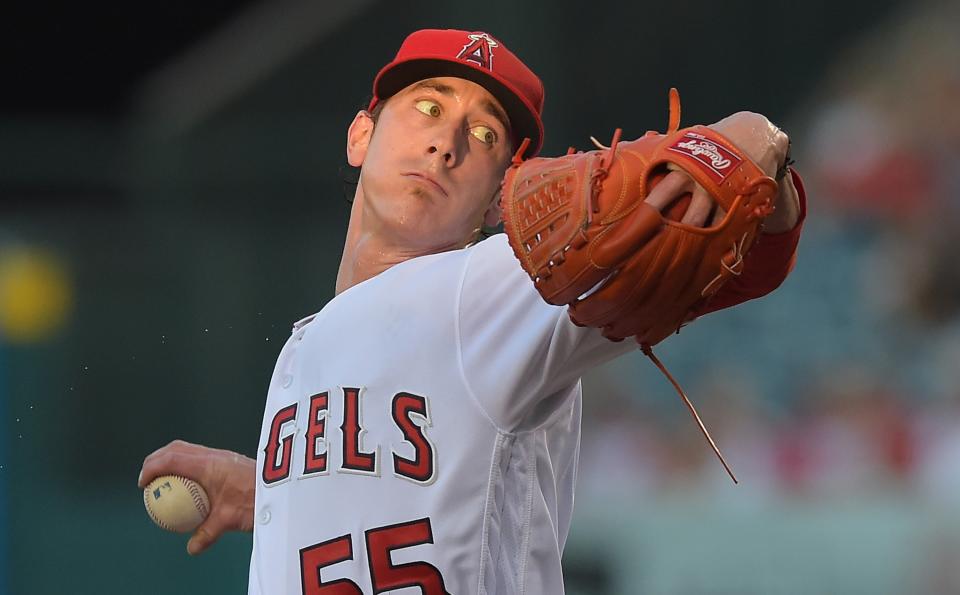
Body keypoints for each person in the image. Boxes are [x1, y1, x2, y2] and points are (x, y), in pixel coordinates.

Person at [139, 28, 804, 594]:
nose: (446, 143)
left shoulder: (492, 289)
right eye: (427, 107)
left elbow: (751, 246)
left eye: (484, 135)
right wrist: (276, 492)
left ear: (496, 203)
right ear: (360, 136)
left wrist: (753, 143)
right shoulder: (308, 345)